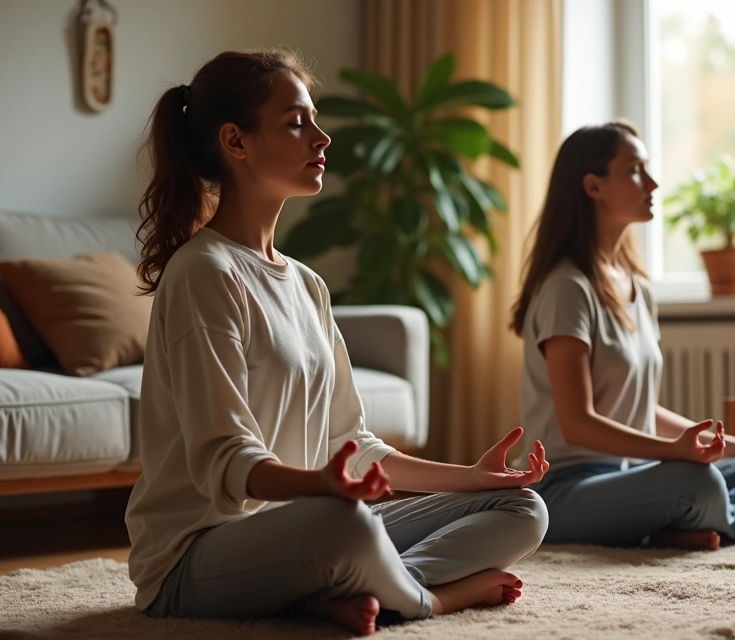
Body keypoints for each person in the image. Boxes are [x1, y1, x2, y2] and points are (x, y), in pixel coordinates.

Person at [124, 49, 550, 636]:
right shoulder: (204, 273)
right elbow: (224, 461)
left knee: (520, 509)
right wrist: (324, 487)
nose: (322, 137)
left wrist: (470, 478)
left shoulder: (306, 283)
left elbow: (350, 440)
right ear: (236, 141)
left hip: (304, 529)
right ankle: (432, 601)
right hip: (195, 558)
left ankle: (350, 589)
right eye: (297, 122)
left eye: (315, 119)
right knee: (348, 525)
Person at [510, 120, 735, 551]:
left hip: (630, 475)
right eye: (635, 169)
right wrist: (674, 452)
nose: (651, 182)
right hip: (563, 489)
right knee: (695, 481)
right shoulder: (567, 289)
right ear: (594, 187)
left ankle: (674, 527)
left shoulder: (638, 288)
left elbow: (640, 409)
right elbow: (576, 424)